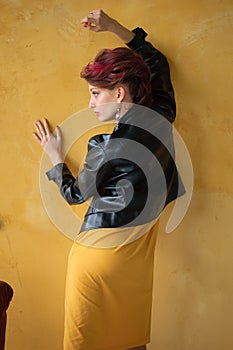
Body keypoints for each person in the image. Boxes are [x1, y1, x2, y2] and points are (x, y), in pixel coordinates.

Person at [33, 9, 184, 350]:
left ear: (118, 94)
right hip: (137, 256)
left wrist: (56, 155)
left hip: (96, 258)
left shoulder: (105, 146)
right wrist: (113, 26)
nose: (89, 104)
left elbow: (75, 195)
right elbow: (156, 62)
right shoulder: (162, 114)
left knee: (83, 341)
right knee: (132, 341)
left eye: (95, 93)